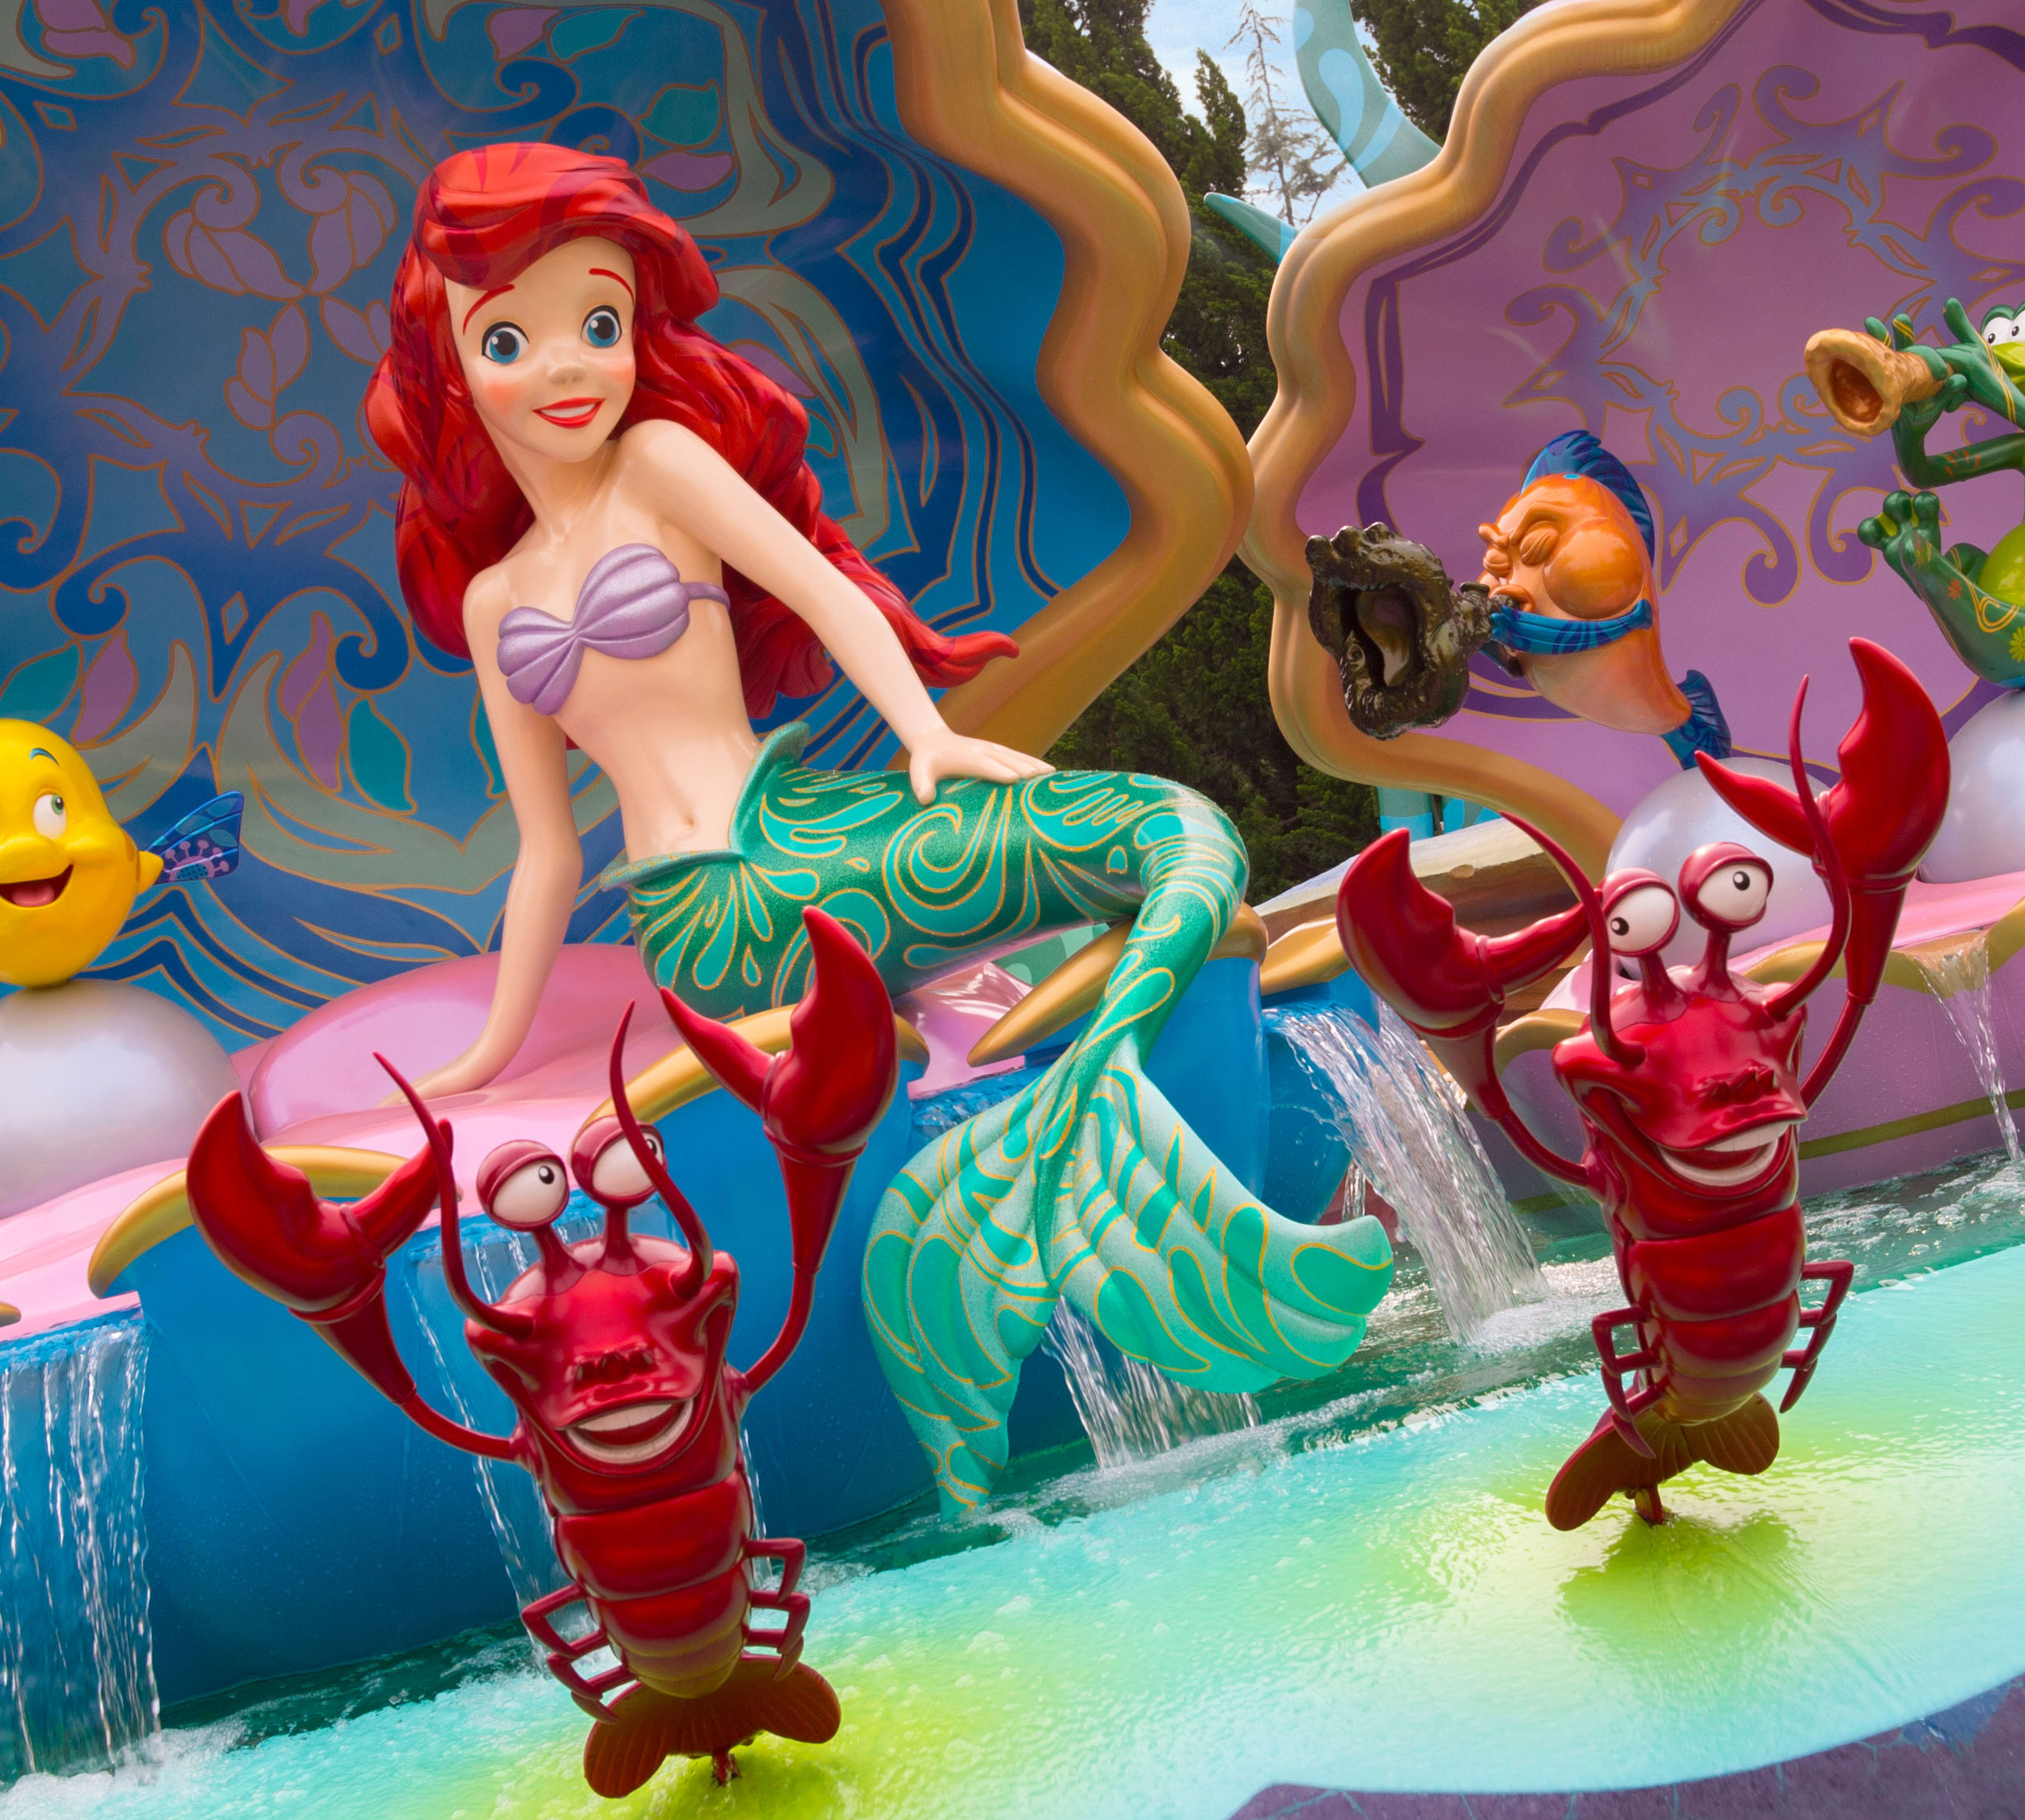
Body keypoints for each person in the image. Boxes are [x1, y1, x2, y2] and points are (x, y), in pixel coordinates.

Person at [363, 142, 1388, 1502]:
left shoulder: (659, 461)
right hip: (714, 928)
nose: (567, 368)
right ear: (447, 365)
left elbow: (823, 586)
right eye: (509, 340)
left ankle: (1074, 1120)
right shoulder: (495, 601)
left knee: (1161, 828)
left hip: (804, 837)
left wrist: (927, 734)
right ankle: (1067, 1162)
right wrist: (491, 1050)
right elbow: (549, 850)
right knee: (1150, 829)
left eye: (598, 325)